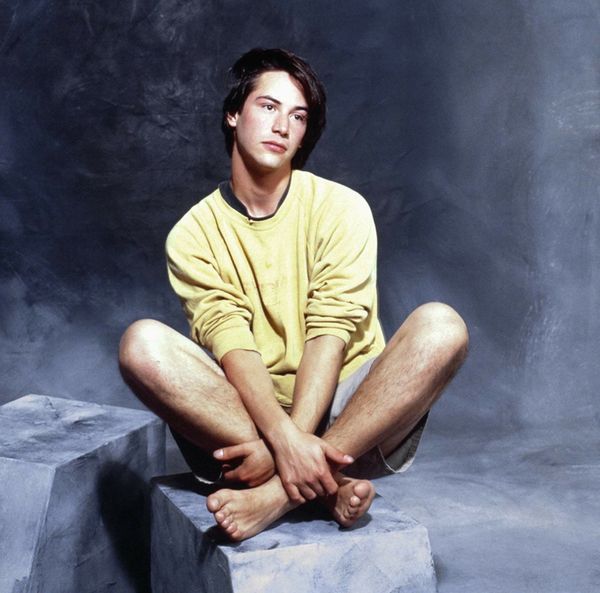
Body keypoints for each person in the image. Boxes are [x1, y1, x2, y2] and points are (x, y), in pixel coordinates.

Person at [119, 48, 468, 542]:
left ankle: (279, 493)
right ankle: (324, 487)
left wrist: (292, 445)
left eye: (298, 116)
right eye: (268, 107)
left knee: (442, 325)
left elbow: (331, 332)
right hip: (245, 425)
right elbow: (230, 342)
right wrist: (280, 438)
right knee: (141, 343)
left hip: (350, 419)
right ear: (234, 113)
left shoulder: (341, 208)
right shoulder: (192, 234)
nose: (282, 125)